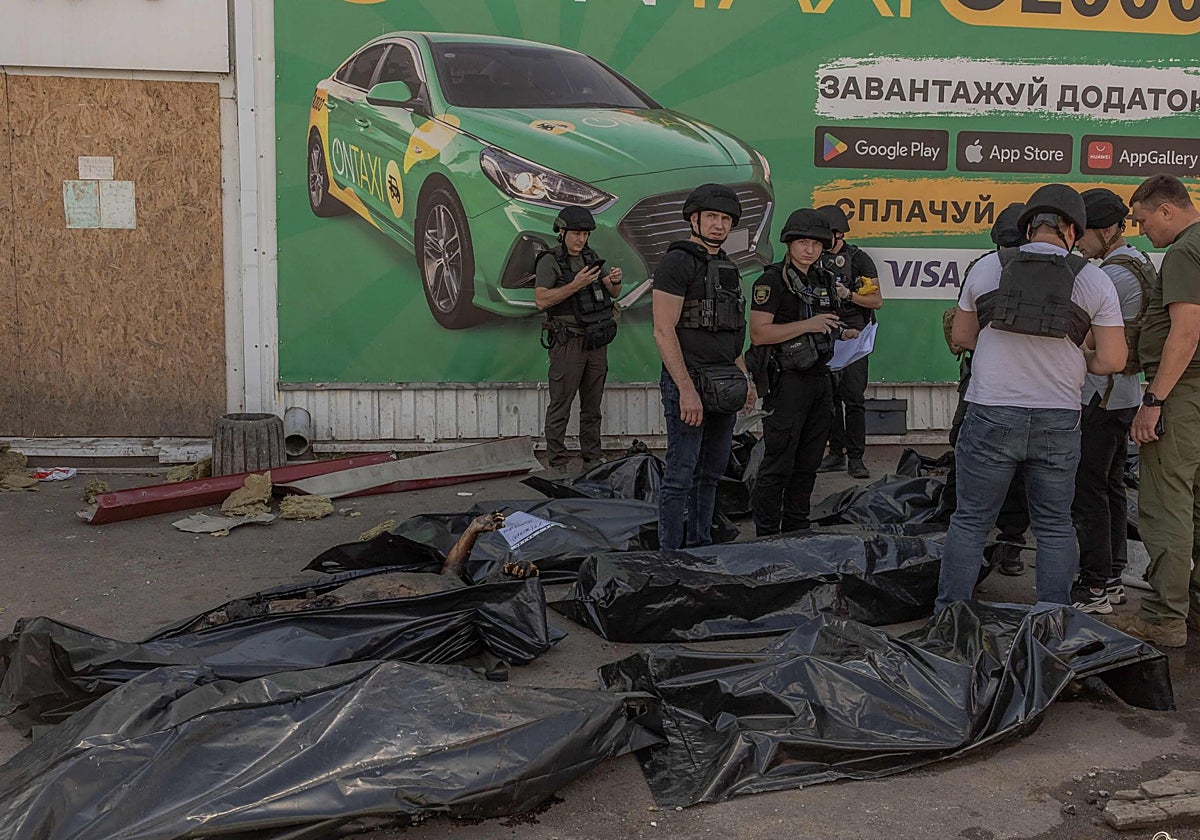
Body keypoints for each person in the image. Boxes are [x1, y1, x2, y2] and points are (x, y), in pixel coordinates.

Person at [936, 183, 1126, 612]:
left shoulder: (988, 267)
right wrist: (1079, 356)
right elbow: (1113, 359)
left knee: (969, 522)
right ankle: (1052, 624)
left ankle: (949, 619)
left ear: (1028, 228)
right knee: (1056, 526)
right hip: (1057, 418)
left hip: (990, 413)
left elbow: (964, 337)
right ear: (1073, 231)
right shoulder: (1093, 278)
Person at [1109, 174, 1200, 647]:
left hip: (1183, 391)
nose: (1142, 231)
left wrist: (1155, 400)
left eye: (1144, 221)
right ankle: (1194, 605)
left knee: (1167, 504)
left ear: (1167, 210)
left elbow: (1186, 331)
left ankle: (1165, 616)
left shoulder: (1185, 251)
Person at [652, 184, 755, 550]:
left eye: (725, 219)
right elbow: (664, 330)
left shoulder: (728, 265)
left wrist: (745, 378)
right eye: (711, 217)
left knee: (710, 474)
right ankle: (670, 555)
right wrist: (686, 390)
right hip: (690, 382)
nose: (718, 225)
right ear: (694, 218)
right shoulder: (677, 262)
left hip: (725, 382)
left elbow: (732, 329)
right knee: (680, 474)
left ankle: (700, 545)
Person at [748, 208, 859, 536]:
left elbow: (826, 323)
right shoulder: (771, 280)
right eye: (803, 242)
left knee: (809, 463)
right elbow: (759, 333)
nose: (809, 249)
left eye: (816, 243)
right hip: (786, 381)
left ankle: (796, 530)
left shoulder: (824, 280)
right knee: (778, 462)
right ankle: (767, 534)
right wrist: (807, 325)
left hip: (820, 379)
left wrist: (844, 333)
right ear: (789, 243)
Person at [1070, 188, 1154, 615]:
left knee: (1090, 491)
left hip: (1102, 397)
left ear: (1106, 230)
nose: (1077, 240)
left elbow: (1088, 338)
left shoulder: (1112, 276)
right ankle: (1115, 575)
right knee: (1111, 486)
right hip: (1124, 395)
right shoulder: (1136, 262)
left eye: (1082, 233)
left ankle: (1095, 586)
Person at [943, 203, 1031, 576]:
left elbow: (964, 333)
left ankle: (990, 543)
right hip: (1003, 382)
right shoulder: (1051, 269)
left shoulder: (982, 266)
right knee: (981, 456)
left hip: (996, 383)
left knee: (984, 461)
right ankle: (988, 541)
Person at [534, 205, 623, 478]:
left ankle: (592, 462)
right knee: (561, 404)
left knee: (593, 406)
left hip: (595, 340)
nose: (580, 239)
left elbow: (613, 292)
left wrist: (614, 282)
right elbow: (541, 301)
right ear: (561, 232)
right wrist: (576, 284)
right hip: (568, 341)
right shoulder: (549, 260)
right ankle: (558, 465)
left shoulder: (590, 256)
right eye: (575, 233)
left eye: (584, 234)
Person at [815, 204, 882, 480]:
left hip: (855, 338)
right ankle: (835, 453)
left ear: (839, 233)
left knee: (853, 399)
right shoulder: (813, 258)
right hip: (824, 334)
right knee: (828, 400)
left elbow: (876, 300)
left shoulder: (859, 259)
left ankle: (856, 458)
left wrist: (848, 295)